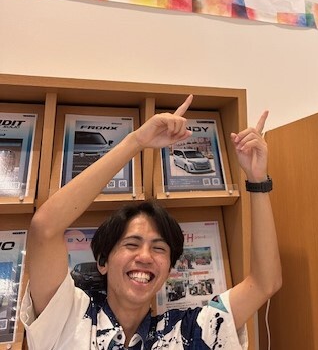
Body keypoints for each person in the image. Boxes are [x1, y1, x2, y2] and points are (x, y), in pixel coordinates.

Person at [20, 94, 281, 349]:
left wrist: (257, 180)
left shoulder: (189, 332)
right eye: (131, 244)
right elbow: (45, 227)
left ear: (168, 270)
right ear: (103, 262)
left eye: (159, 248)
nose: (145, 257)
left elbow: (263, 283)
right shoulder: (68, 317)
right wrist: (136, 142)